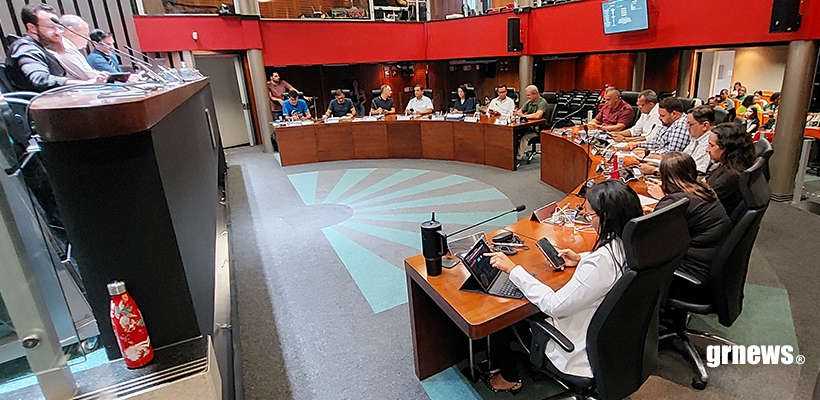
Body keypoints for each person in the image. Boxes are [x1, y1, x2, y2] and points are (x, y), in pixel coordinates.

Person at [482, 179, 643, 394]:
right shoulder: (635, 242)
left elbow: (554, 305)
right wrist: (581, 258)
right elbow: (606, 263)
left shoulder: (600, 264)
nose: (589, 221)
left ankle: (509, 378)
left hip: (578, 344)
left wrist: (513, 270)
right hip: (617, 336)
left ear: (606, 216)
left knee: (503, 315)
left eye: (590, 216)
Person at [646, 152, 730, 298]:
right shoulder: (703, 189)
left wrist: (662, 203)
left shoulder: (676, 202)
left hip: (691, 270)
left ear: (666, 178)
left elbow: (648, 238)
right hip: (710, 262)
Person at [5, 4, 93, 92]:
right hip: (39, 100)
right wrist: (85, 83)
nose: (58, 32)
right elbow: (41, 80)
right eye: (51, 27)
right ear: (32, 28)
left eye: (59, 27)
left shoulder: (43, 47)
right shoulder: (26, 48)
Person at [705, 122, 756, 218]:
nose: (707, 150)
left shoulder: (728, 178)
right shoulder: (736, 165)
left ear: (726, 148)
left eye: (711, 146)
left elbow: (700, 202)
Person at [627, 97, 691, 156]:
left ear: (674, 114)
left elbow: (671, 153)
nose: (659, 118)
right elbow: (657, 143)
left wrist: (647, 153)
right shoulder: (668, 122)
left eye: (662, 115)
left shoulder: (682, 126)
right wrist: (637, 144)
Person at [48, 15, 100, 81]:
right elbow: (88, 75)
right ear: (70, 30)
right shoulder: (64, 47)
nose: (88, 38)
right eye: (85, 34)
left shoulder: (67, 45)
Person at [514, 85, 548, 159]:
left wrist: (523, 116)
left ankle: (517, 157)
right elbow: (520, 111)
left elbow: (538, 115)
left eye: (529, 95)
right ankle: (511, 154)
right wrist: (519, 114)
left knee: (525, 137)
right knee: (514, 133)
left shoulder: (542, 102)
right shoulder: (529, 102)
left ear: (535, 94)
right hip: (528, 126)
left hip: (538, 129)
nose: (527, 97)